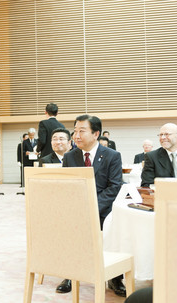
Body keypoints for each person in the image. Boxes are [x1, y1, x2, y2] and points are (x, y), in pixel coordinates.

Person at [56, 115, 124, 297]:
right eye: (75, 131)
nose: (76, 135)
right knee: (68, 227)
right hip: (78, 208)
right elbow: (67, 186)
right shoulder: (70, 157)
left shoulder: (112, 156)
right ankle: (70, 274)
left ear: (96, 134)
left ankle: (115, 277)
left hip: (103, 209)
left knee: (114, 228)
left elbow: (115, 186)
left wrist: (92, 207)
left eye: (81, 131)